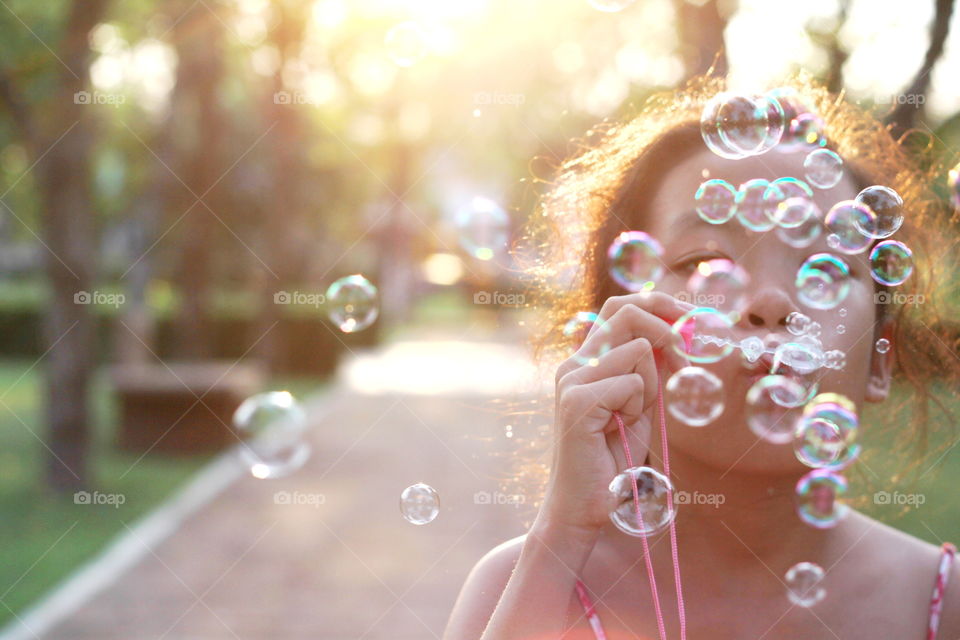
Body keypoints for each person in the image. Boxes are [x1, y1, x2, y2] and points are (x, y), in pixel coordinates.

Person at [442, 74, 960, 639]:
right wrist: (561, 535)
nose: (769, 302)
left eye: (826, 268)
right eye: (703, 262)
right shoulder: (529, 588)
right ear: (616, 334)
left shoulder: (942, 602)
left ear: (879, 364)